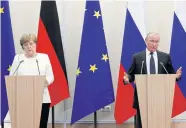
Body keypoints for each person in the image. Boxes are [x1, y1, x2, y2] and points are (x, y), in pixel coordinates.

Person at [123, 32, 182, 128]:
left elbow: (171, 74)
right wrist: (127, 79)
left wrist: (177, 76)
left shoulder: (165, 57)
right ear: (146, 41)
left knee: (159, 123)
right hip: (142, 96)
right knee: (141, 124)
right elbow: (131, 74)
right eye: (152, 41)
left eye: (157, 41)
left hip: (161, 96)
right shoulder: (137, 57)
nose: (154, 44)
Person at [9, 33, 54, 128]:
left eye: (31, 44)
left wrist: (44, 82)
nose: (29, 47)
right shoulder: (18, 58)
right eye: (25, 45)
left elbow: (50, 76)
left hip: (42, 98)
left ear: (35, 44)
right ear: (23, 47)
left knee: (41, 125)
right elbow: (12, 76)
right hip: (23, 98)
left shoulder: (43, 57)